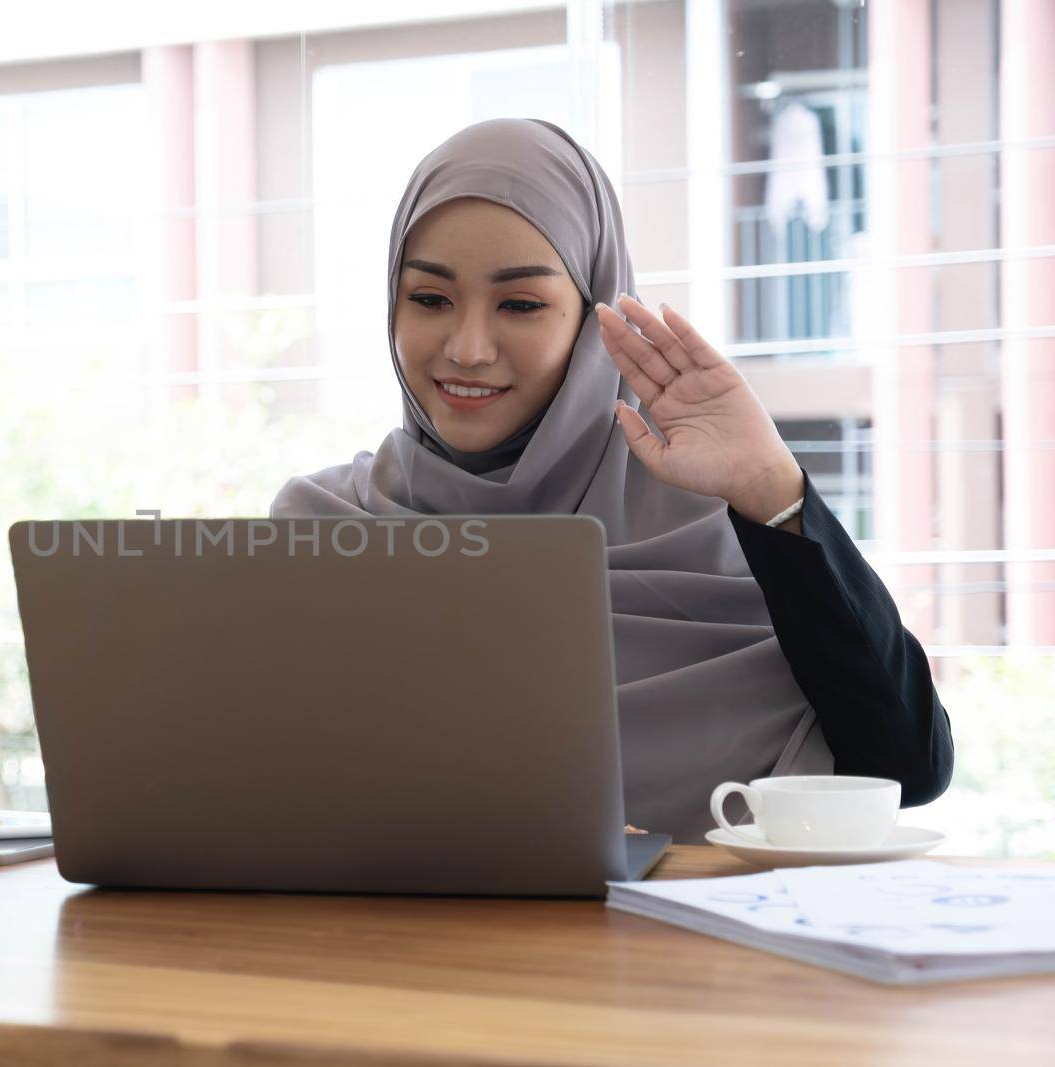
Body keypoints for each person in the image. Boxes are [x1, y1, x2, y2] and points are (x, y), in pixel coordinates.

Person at [270, 118, 952, 843]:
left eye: (521, 305)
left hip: (678, 950)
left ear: (593, 318)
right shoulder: (323, 526)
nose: (466, 348)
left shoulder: (714, 523)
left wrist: (771, 487)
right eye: (430, 300)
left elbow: (909, 763)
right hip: (378, 948)